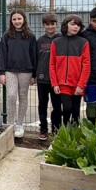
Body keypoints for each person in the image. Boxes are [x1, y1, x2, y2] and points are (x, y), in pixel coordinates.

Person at [0, 10, 39, 138]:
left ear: (24, 19)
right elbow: (2, 54)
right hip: (10, 70)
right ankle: (10, 124)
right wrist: (1, 72)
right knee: (11, 95)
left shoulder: (31, 36)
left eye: (19, 19)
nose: (17, 21)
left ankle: (20, 124)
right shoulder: (7, 36)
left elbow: (34, 55)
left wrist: (34, 75)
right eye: (14, 19)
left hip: (26, 71)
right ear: (11, 21)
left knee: (23, 96)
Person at [50, 14, 91, 127]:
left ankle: (75, 133)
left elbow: (86, 66)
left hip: (78, 84)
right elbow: (52, 64)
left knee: (76, 111)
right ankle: (65, 131)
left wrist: (81, 85)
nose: (76, 27)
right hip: (62, 84)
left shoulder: (84, 42)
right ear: (65, 25)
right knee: (67, 108)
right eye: (73, 24)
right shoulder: (56, 42)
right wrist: (55, 83)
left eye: (78, 25)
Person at [35, 13, 62, 142]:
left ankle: (56, 129)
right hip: (42, 78)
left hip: (57, 80)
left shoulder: (61, 39)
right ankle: (43, 129)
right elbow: (35, 59)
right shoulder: (40, 41)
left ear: (57, 24)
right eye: (47, 24)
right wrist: (34, 75)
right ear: (43, 26)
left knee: (57, 106)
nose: (50, 26)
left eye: (52, 24)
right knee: (42, 105)